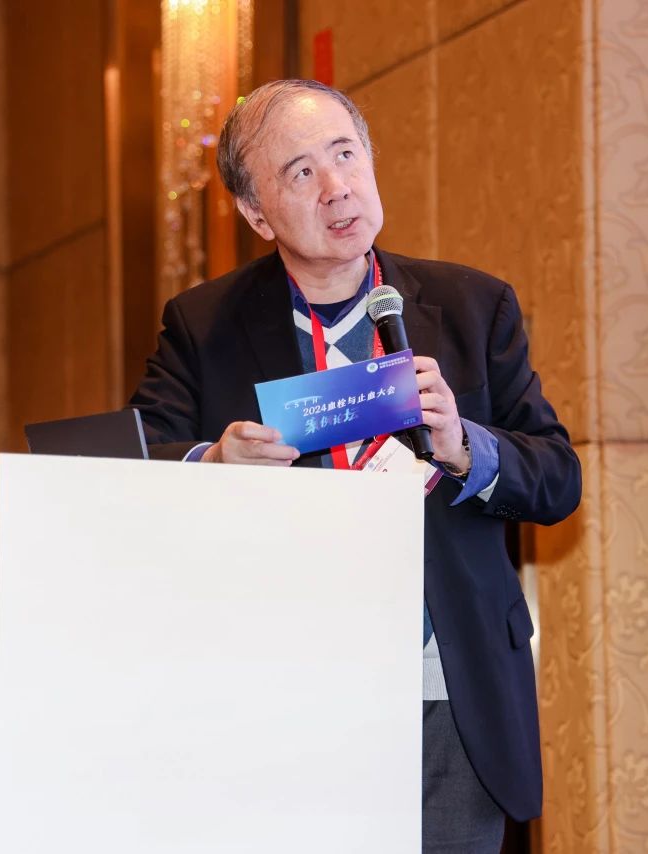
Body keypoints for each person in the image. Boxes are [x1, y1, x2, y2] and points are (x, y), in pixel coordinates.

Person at [130, 78, 581, 852]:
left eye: (346, 155)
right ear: (256, 213)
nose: (336, 186)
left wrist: (464, 446)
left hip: (449, 690)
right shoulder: (203, 326)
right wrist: (215, 462)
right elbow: (130, 467)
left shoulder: (472, 307)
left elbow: (557, 477)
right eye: (302, 171)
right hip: (282, 699)